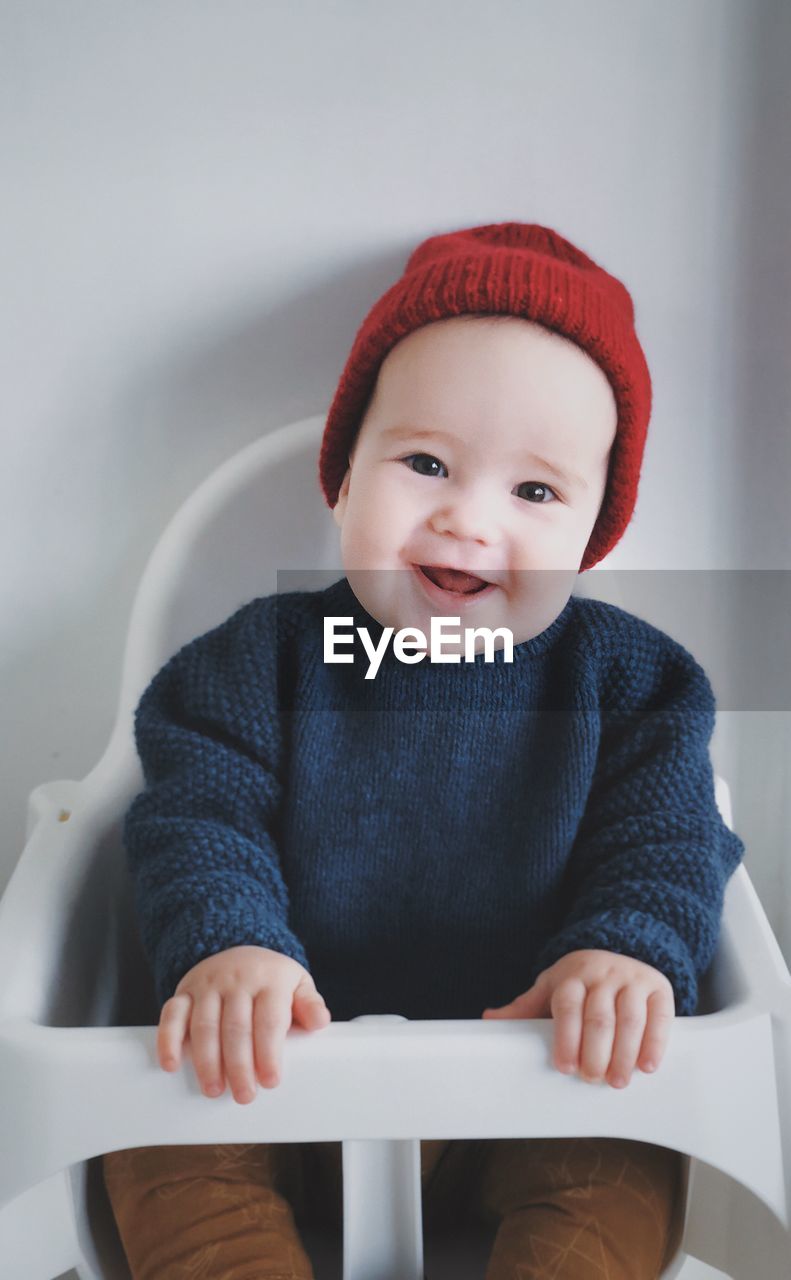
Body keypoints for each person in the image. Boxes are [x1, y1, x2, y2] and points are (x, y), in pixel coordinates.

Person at [102, 221, 745, 1279]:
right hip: (273, 1072)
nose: (465, 517)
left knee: (622, 1155)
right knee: (157, 1126)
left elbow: (669, 832)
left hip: (535, 1085)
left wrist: (622, 948)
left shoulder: (633, 684)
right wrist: (229, 944)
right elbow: (193, 814)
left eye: (532, 492)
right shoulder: (255, 663)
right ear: (344, 478)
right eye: (425, 462)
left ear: (588, 536)